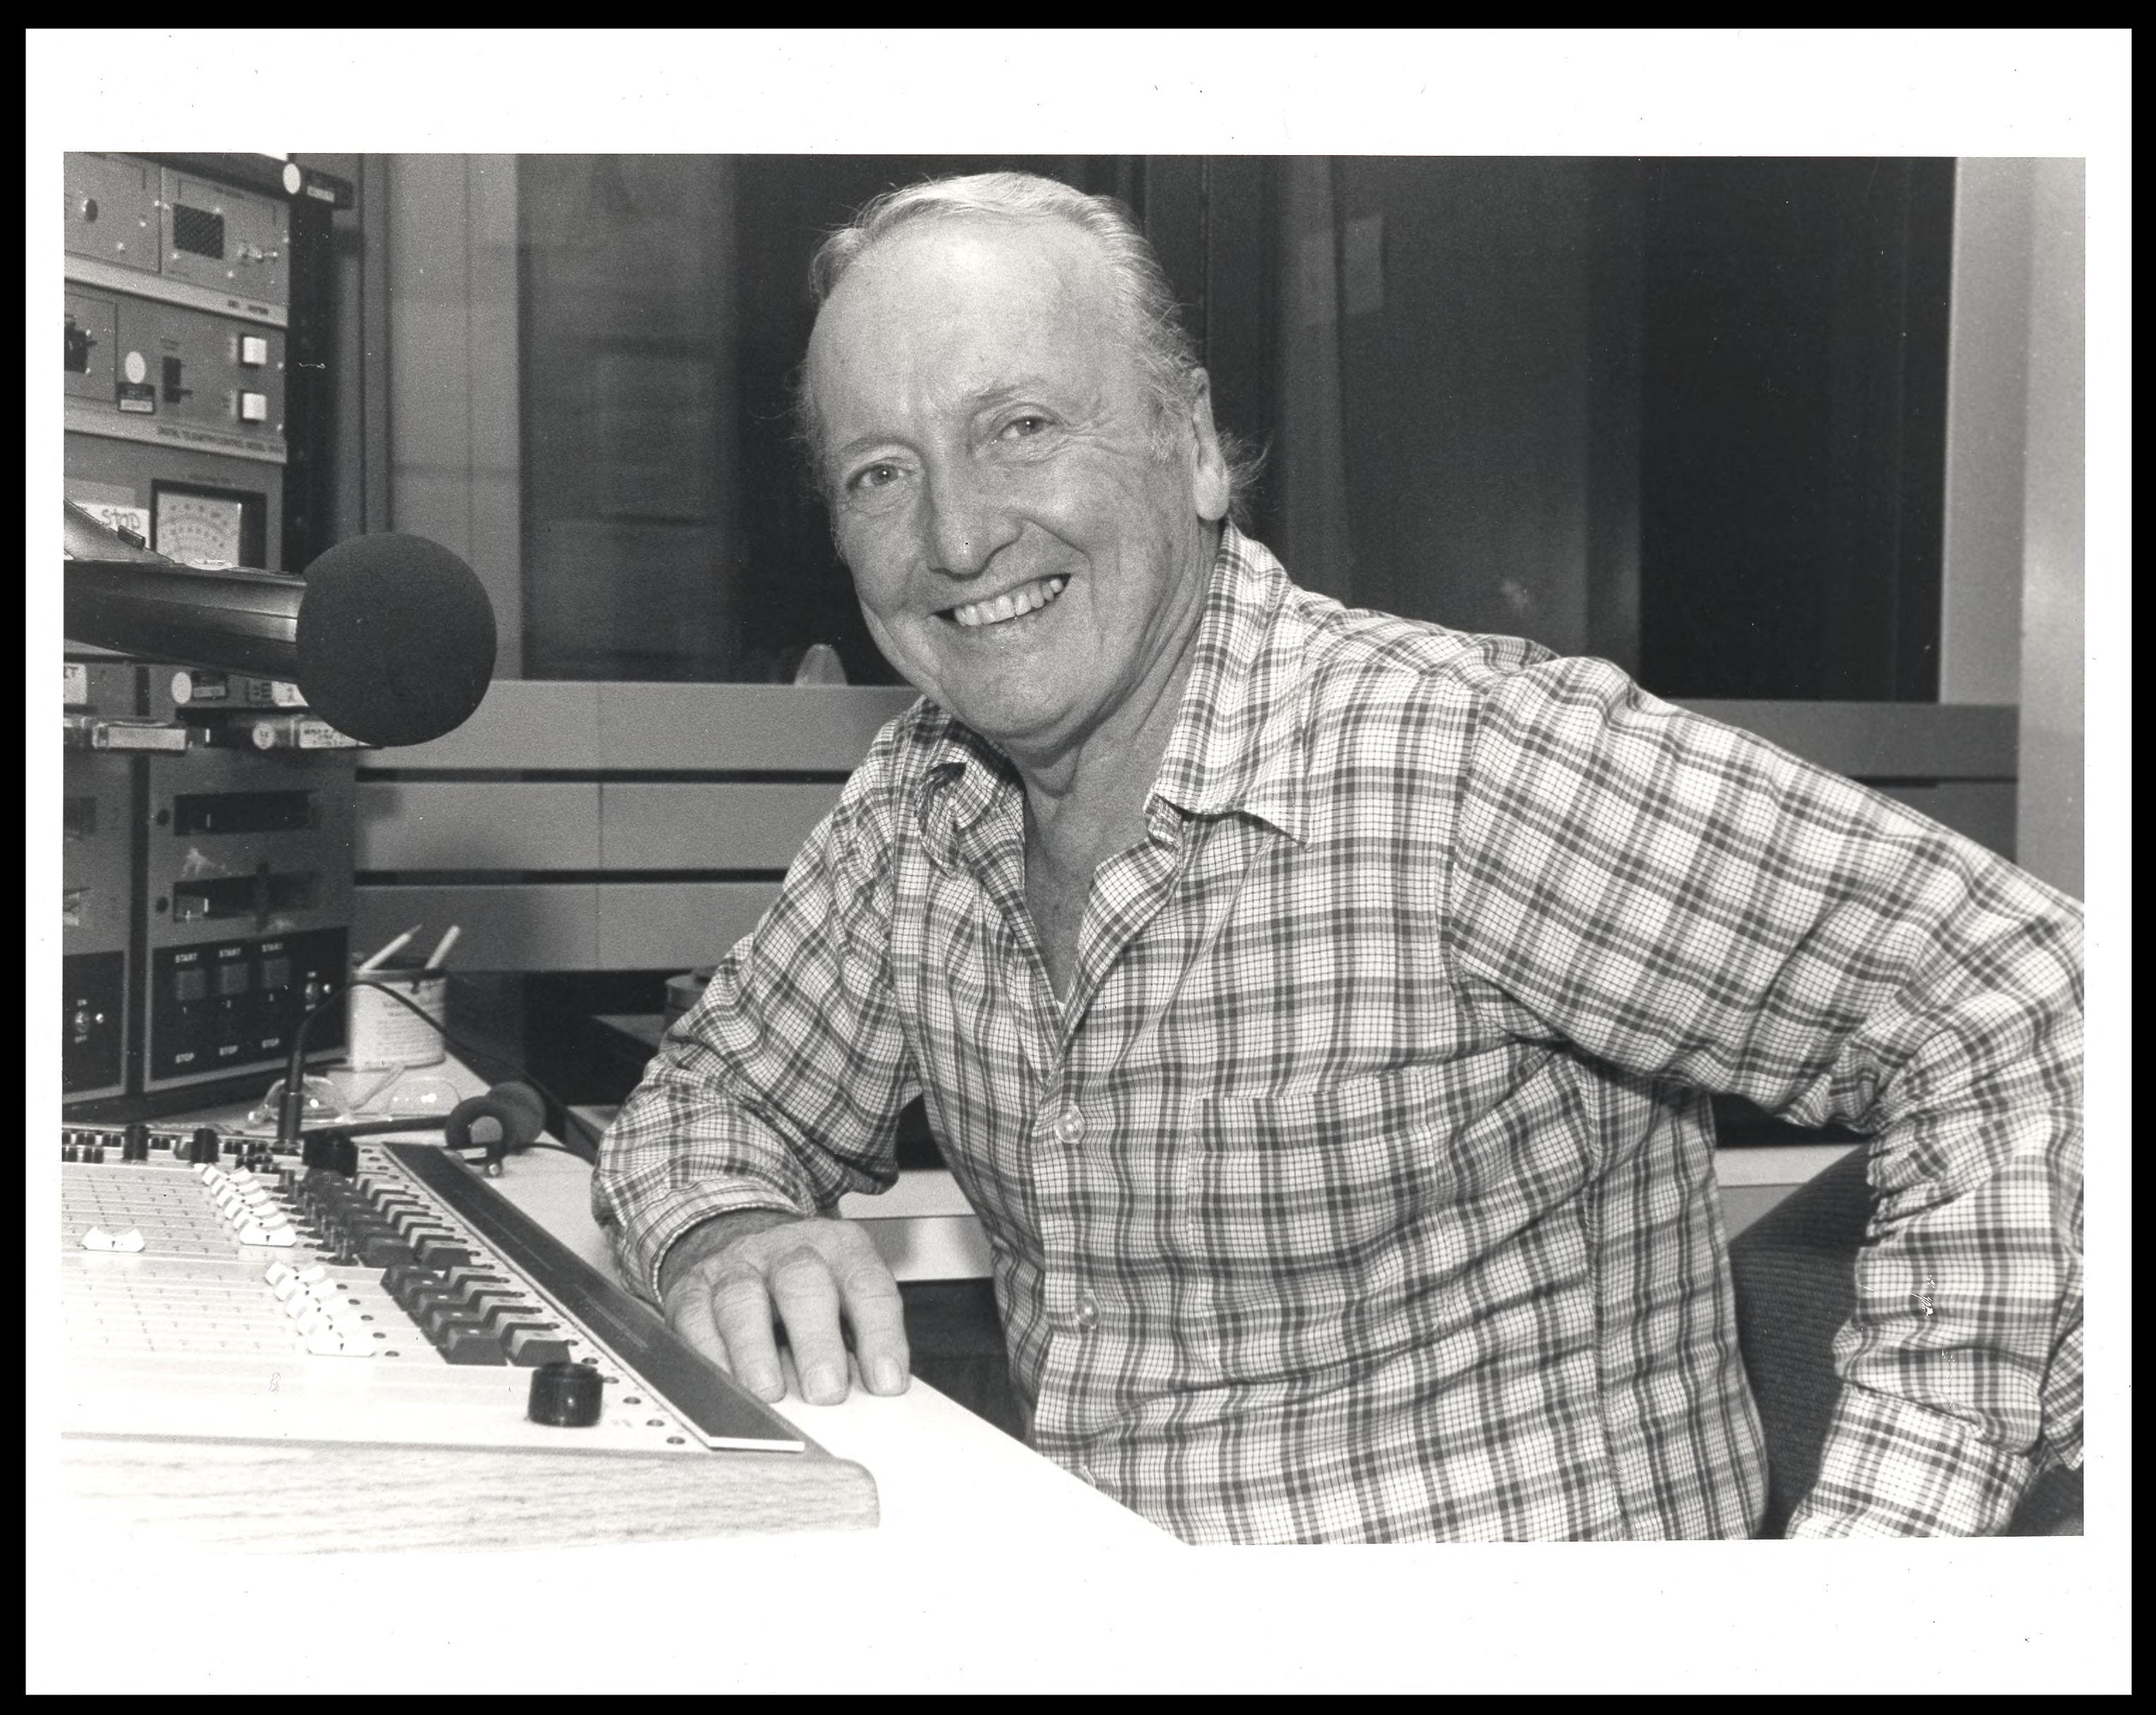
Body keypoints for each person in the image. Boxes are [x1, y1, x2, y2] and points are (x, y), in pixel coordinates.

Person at [594, 172, 2083, 1542]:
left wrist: (1882, 1572)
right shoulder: (920, 807)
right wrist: (729, 1225)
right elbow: (713, 1095)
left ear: (1187, 445)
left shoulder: (1459, 767)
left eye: (1020, 428)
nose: (959, 532)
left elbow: (2030, 1003)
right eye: (879, 473)